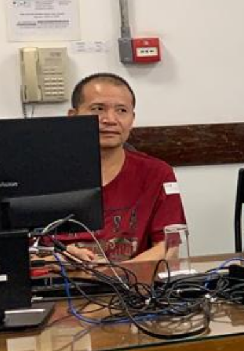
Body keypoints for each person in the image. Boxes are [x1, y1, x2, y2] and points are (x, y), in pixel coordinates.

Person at [62, 72, 185, 263]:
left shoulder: (157, 173)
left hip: (132, 279)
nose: (110, 119)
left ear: (132, 119)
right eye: (98, 109)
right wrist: (54, 258)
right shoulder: (41, 174)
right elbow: (20, 250)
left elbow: (169, 245)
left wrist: (117, 273)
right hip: (59, 278)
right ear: (73, 116)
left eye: (121, 110)